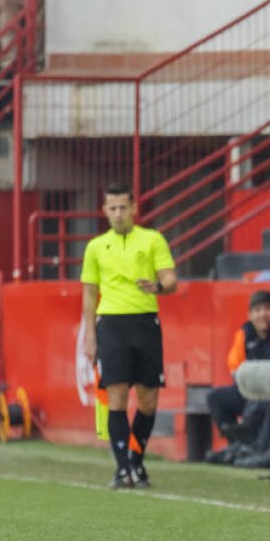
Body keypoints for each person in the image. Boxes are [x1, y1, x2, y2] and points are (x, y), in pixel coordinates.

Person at [80, 183, 178, 489]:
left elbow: (171, 279)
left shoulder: (152, 239)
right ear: (104, 211)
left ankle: (136, 460)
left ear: (134, 208)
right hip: (111, 324)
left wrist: (158, 286)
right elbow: (89, 294)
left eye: (123, 207)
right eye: (113, 208)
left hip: (145, 322)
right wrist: (90, 335)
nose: (119, 213)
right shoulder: (96, 247)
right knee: (117, 396)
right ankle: (123, 469)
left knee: (148, 400)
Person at [205, 290, 270, 464]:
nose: (263, 314)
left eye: (267, 309)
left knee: (266, 389)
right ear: (250, 314)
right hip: (251, 390)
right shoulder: (245, 333)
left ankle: (248, 438)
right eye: (258, 310)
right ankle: (236, 445)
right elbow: (234, 366)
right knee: (215, 397)